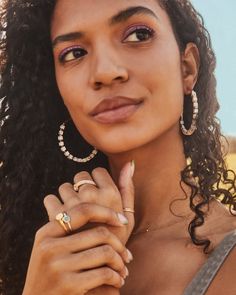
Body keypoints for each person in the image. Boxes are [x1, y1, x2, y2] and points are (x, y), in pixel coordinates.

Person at [0, 0, 236, 294]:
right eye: (74, 53)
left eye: (138, 35)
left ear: (186, 67)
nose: (105, 71)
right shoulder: (33, 251)